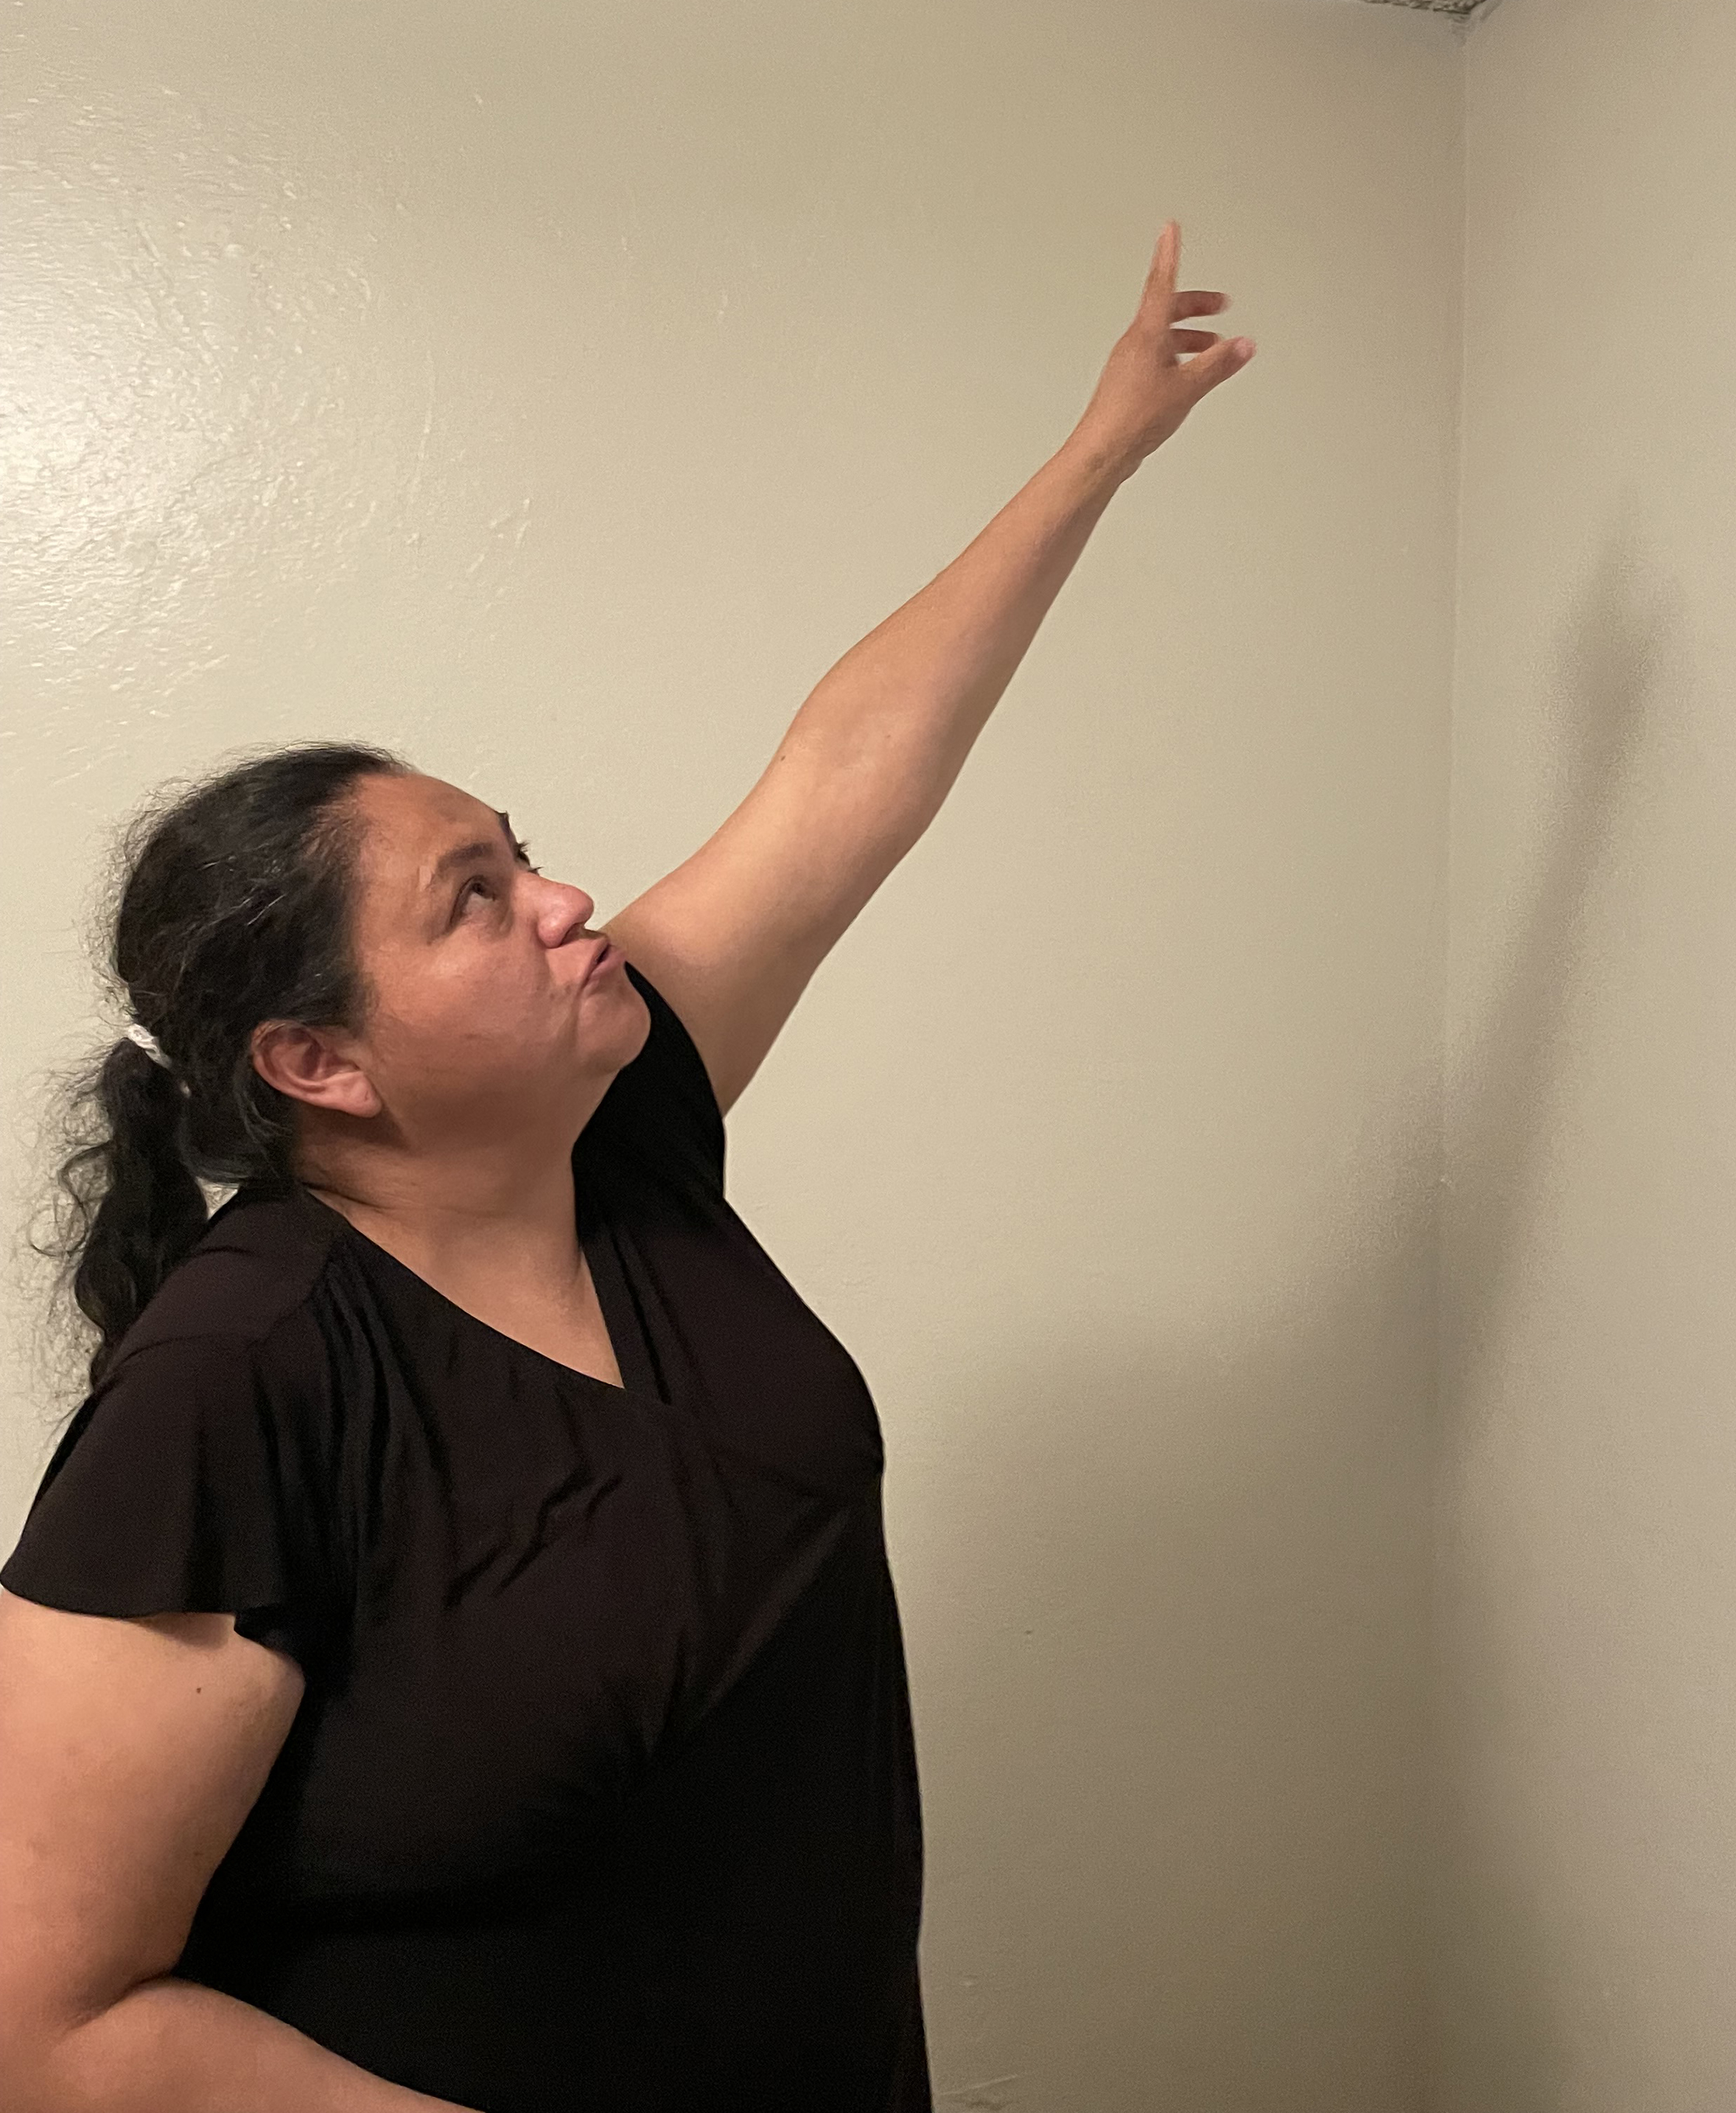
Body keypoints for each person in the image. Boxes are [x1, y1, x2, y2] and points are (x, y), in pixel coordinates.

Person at [0, 223, 1252, 2113]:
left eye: (521, 850)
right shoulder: (232, 1382)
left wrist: (1097, 450)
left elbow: (843, 777)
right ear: (318, 1062)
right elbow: (51, 2025)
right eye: (475, 902)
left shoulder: (625, 1128)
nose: (565, 899)